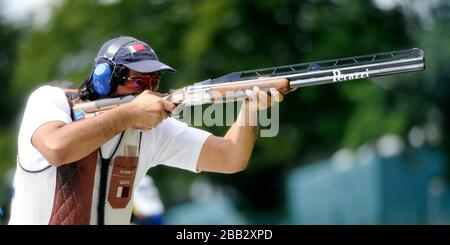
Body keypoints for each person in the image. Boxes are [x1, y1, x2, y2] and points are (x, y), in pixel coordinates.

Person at [9, 35, 283, 225]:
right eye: (139, 82)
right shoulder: (51, 100)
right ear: (104, 80)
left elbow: (230, 157)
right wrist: (128, 114)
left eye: (155, 81)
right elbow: (57, 148)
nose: (150, 91)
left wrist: (249, 111)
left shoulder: (150, 129)